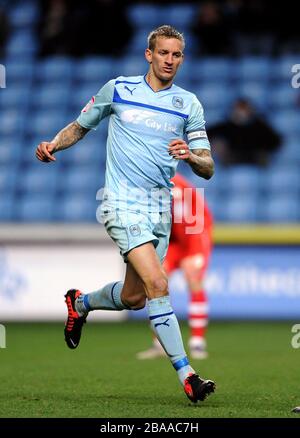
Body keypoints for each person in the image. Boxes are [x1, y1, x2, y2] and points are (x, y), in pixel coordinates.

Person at [35, 25, 215, 403]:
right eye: (163, 53)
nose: (170, 60)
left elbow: (208, 167)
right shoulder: (118, 89)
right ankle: (189, 376)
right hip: (119, 203)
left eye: (176, 54)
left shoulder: (189, 105)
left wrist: (191, 156)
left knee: (135, 298)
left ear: (182, 58)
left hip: (159, 209)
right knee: (160, 286)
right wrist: (54, 144)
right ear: (148, 55)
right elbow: (80, 127)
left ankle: (80, 303)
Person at [137, 172, 213, 360]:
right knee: (155, 282)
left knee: (193, 278)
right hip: (174, 240)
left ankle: (197, 343)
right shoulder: (151, 184)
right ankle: (159, 344)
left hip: (195, 234)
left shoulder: (172, 183)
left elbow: (190, 218)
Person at [207, 98, 281, 166]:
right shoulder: (225, 126)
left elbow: (275, 141)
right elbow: (206, 135)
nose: (241, 113)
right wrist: (216, 145)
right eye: (238, 109)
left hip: (255, 159)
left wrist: (263, 148)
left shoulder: (259, 126)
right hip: (232, 158)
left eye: (244, 109)